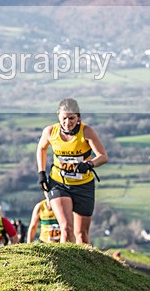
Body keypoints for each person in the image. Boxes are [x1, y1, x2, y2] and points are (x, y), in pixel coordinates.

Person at [36, 98, 108, 244]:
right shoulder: (50, 131)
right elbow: (41, 148)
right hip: (59, 183)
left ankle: (85, 265)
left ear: (78, 117)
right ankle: (65, 265)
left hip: (83, 186)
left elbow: (103, 157)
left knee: (81, 234)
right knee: (66, 228)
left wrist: (89, 165)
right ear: (58, 116)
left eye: (71, 118)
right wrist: (41, 173)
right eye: (64, 118)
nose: (67, 122)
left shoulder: (86, 132)